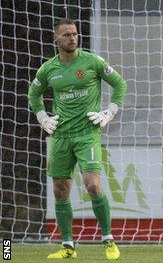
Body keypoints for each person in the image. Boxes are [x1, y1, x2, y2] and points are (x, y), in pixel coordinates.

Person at [28, 18, 127, 260]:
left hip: (87, 133)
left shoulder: (92, 61)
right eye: (67, 35)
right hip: (61, 135)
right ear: (56, 39)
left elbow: (119, 84)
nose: (73, 38)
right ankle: (68, 247)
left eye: (75, 34)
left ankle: (108, 239)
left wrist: (110, 111)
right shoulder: (48, 69)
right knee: (60, 190)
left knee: (92, 184)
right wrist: (42, 117)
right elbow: (34, 94)